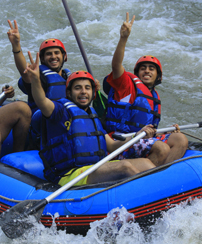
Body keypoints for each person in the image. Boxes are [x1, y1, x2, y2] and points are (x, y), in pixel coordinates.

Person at [24, 52, 169, 186]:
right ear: (68, 92)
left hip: (92, 168)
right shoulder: (60, 111)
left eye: (87, 88)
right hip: (69, 174)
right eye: (78, 88)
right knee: (125, 167)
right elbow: (41, 101)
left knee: (148, 166)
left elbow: (111, 146)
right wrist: (36, 79)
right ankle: (156, 197)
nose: (83, 92)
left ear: (93, 93)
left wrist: (137, 136)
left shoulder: (92, 115)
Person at [102, 12, 188, 164]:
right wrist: (124, 38)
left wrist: (166, 131)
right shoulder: (127, 84)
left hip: (143, 139)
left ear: (158, 76)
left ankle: (162, 175)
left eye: (151, 69)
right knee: (161, 148)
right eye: (143, 68)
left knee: (180, 139)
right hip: (121, 140)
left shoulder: (154, 96)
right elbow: (116, 66)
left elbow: (150, 128)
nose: (147, 71)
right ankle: (146, 177)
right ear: (137, 72)